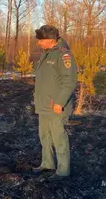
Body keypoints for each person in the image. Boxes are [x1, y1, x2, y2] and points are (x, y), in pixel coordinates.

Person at [32, 25, 77, 182]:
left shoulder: (63, 55)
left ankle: (63, 170)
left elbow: (69, 81)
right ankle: (47, 164)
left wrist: (59, 102)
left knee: (59, 137)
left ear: (50, 40)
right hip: (44, 105)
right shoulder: (47, 54)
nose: (38, 43)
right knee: (44, 136)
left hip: (56, 106)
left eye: (40, 40)